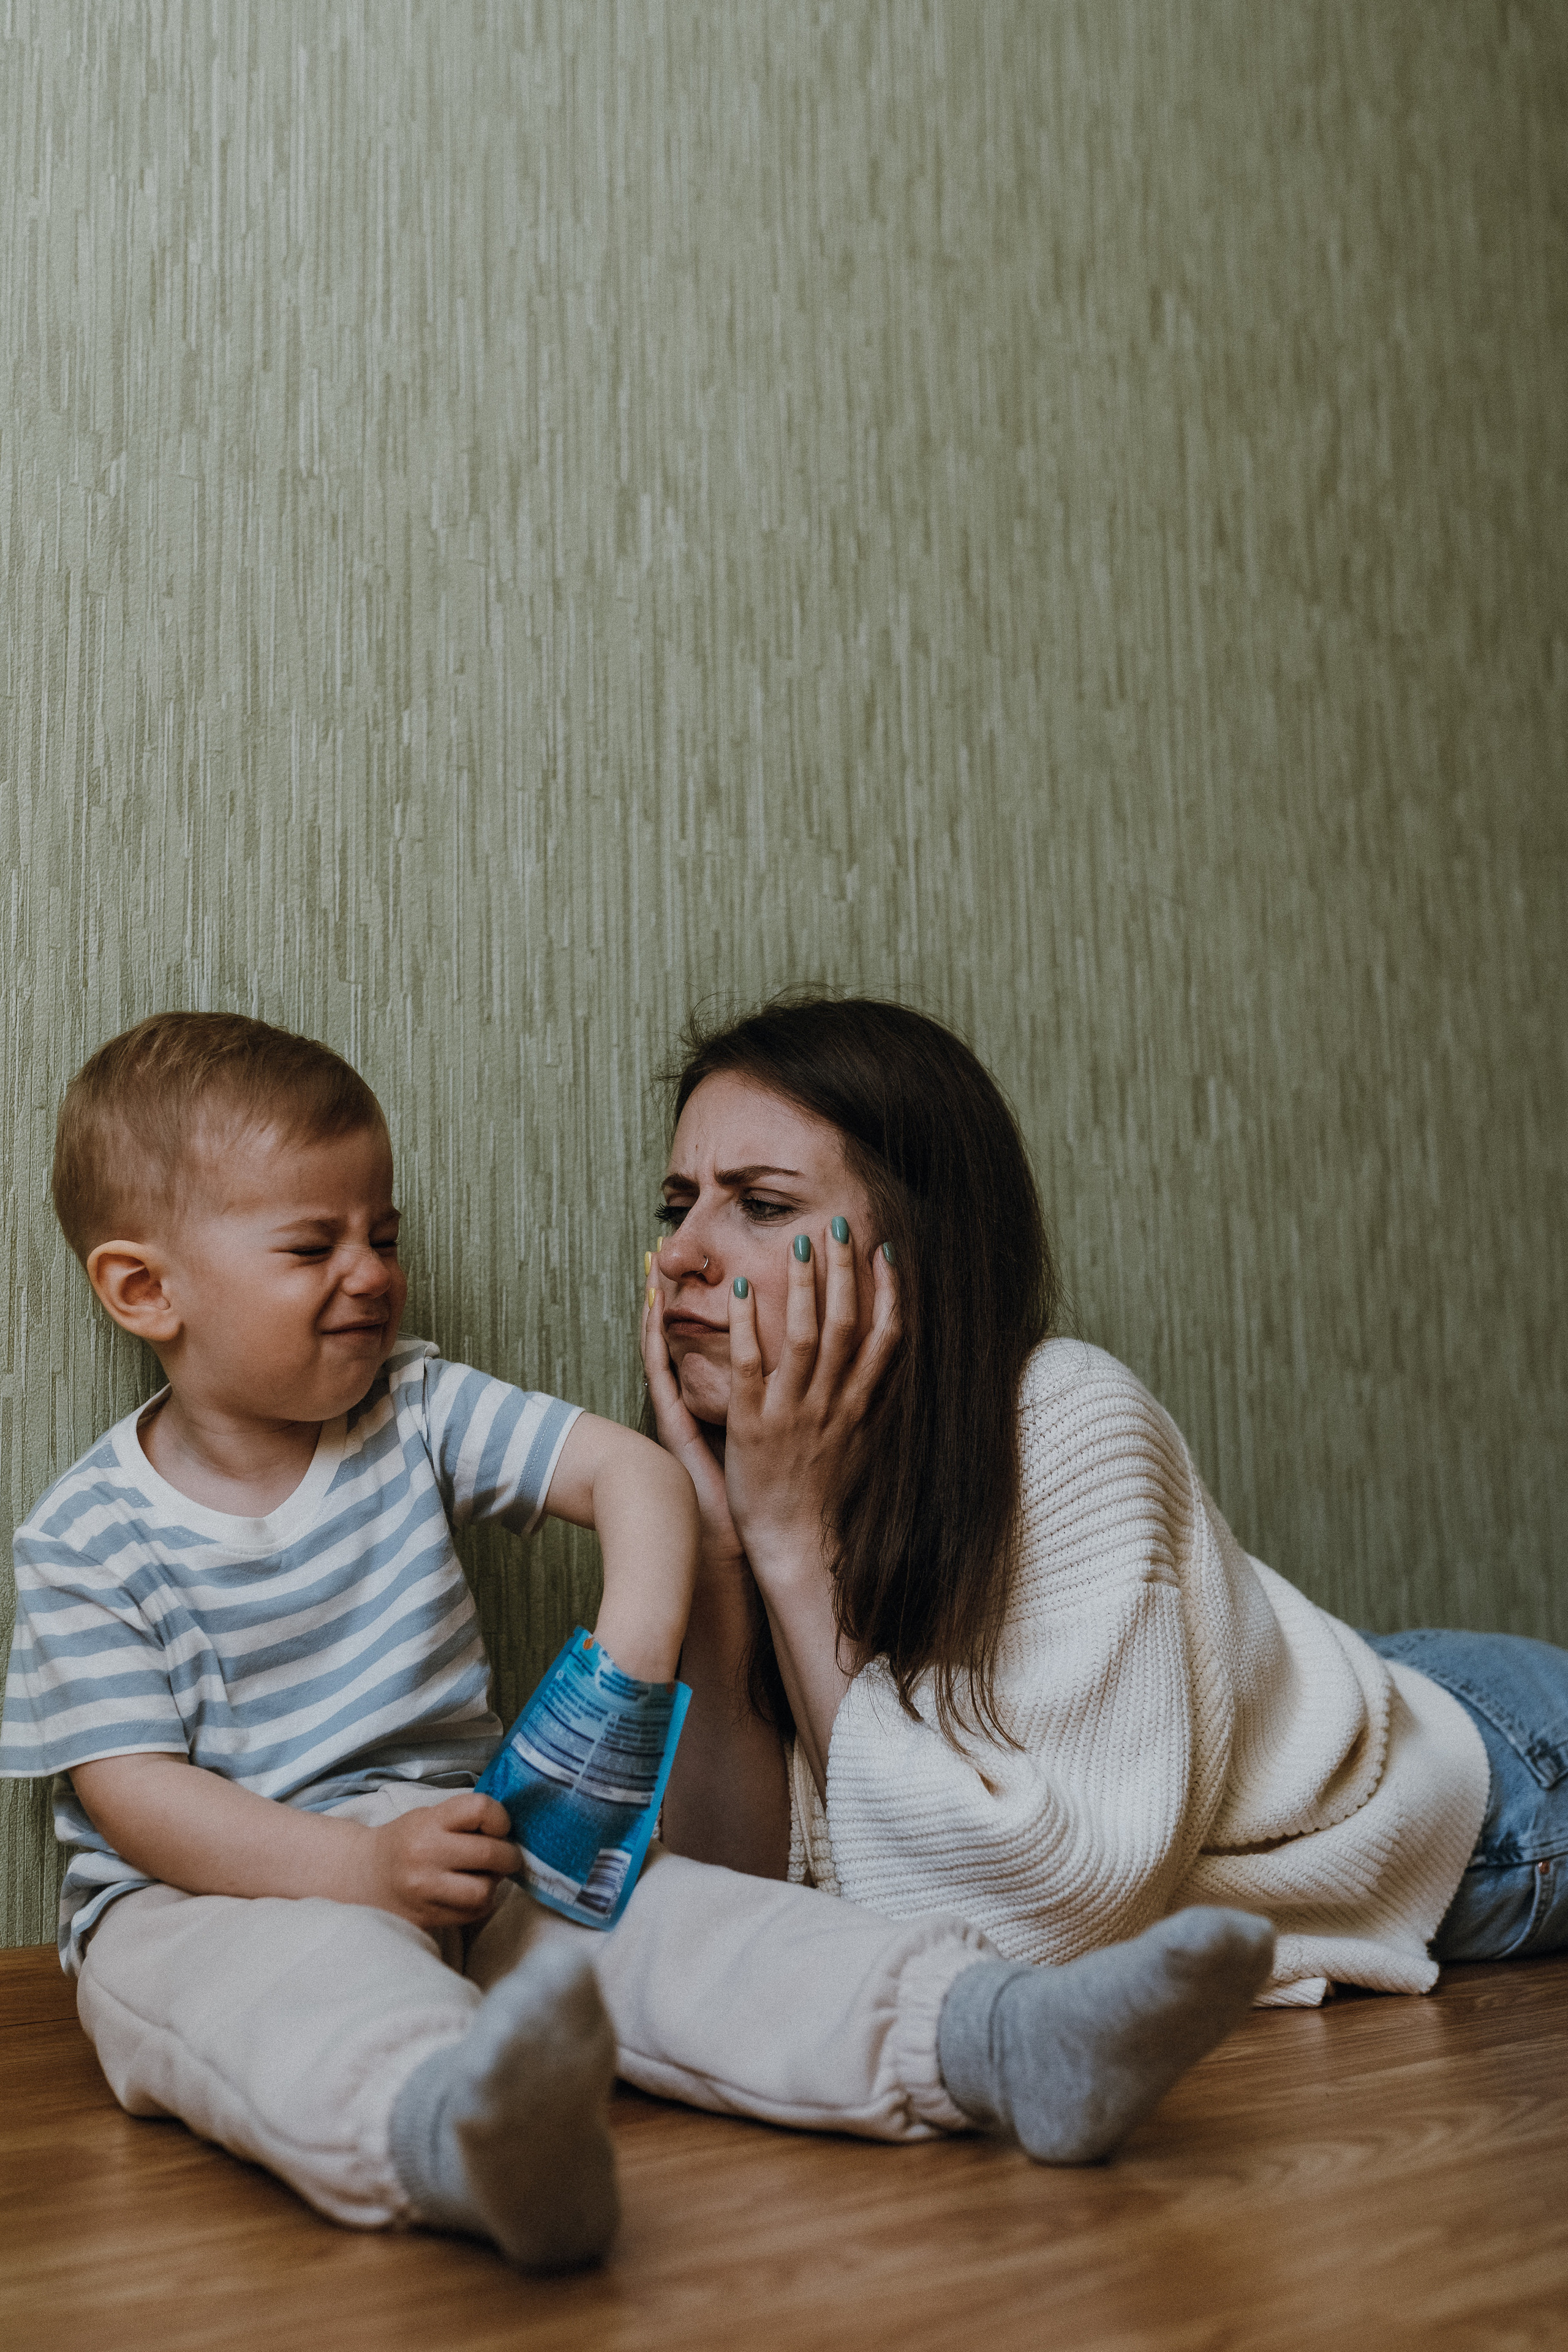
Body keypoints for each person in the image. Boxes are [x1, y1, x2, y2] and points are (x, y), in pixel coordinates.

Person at [1, 1015, 1278, 2275]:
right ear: (142, 1290)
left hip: (457, 1843)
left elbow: (635, 1488)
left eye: (381, 1238)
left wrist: (610, 1686)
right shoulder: (84, 1541)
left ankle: (998, 2035)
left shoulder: (421, 1413)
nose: (375, 1274)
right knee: (302, 1990)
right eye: (311, 1246)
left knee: (681, 1923)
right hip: (218, 1890)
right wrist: (355, 1869)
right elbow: (131, 1797)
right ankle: (465, 2137)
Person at [645, 993, 1568, 1999]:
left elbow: (1027, 1935)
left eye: (762, 1205)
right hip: (1286, 1721)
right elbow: (726, 1898)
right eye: (676, 1204)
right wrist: (718, 1548)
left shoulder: (1066, 1414)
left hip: (1478, 1784)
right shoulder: (742, 1489)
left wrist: (785, 1539)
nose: (684, 1254)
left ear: (913, 1256)